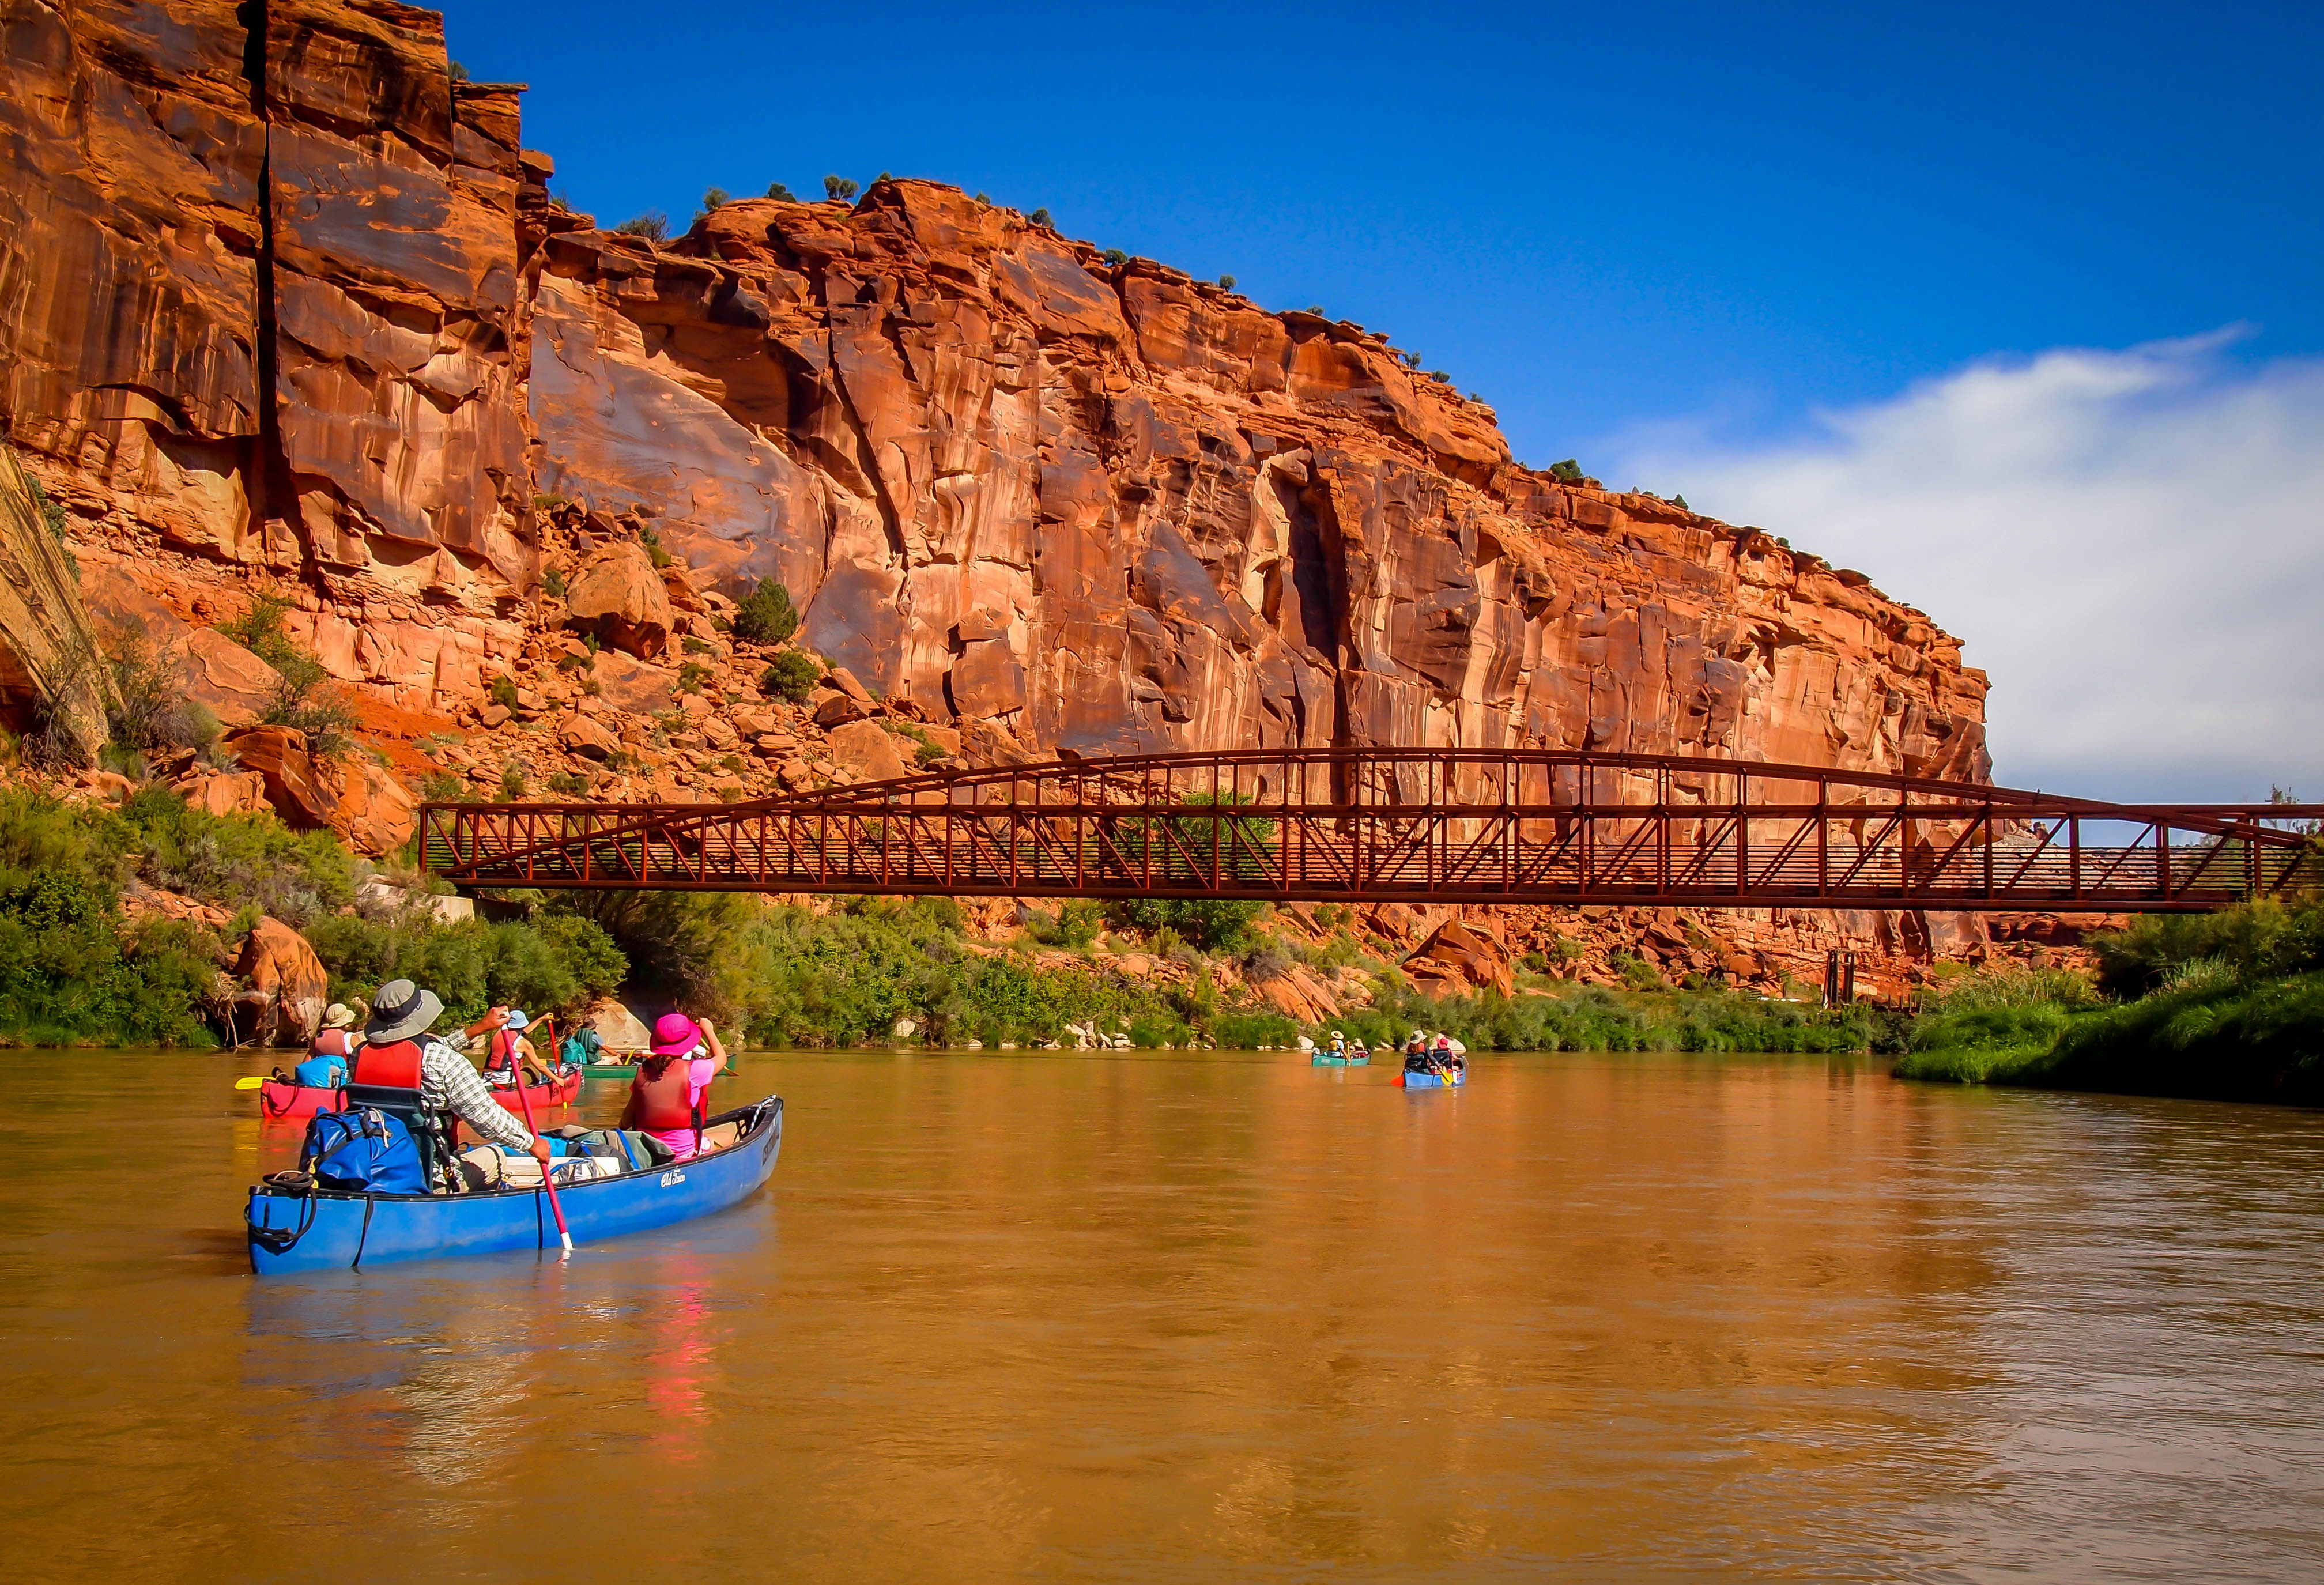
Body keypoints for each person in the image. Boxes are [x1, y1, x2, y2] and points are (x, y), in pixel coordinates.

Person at [350, 979, 552, 1184]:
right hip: (430, 1175)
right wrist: (531, 1143)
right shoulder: (445, 1062)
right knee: (496, 1155)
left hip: (372, 1167)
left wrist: (480, 1028)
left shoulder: (359, 1056)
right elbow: (486, 1117)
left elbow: (433, 1050)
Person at [620, 1012, 729, 1163]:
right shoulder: (696, 1070)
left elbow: (625, 1123)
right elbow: (721, 1058)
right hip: (683, 1151)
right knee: (729, 1137)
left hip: (646, 1150)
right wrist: (709, 1029)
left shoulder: (643, 1071)